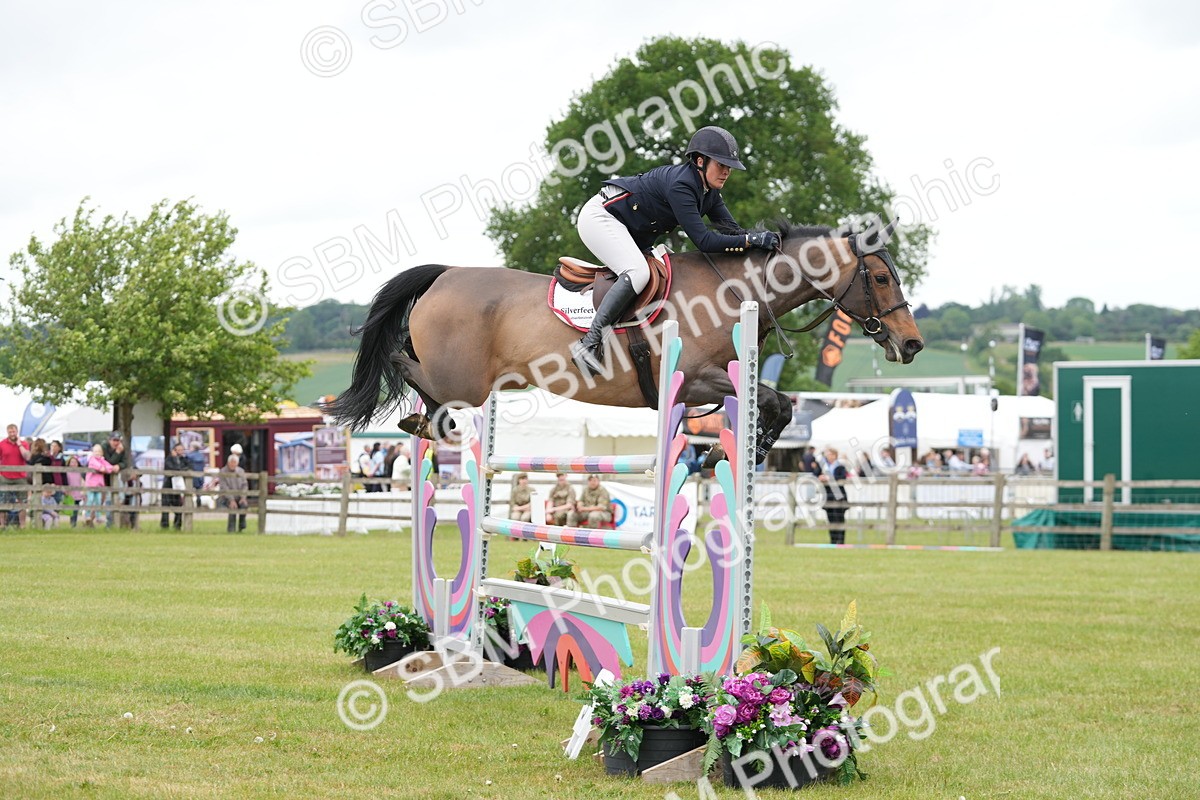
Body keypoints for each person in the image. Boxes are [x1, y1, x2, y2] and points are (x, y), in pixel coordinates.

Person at [570, 125, 780, 375]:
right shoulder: (682, 185)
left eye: (729, 167)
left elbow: (732, 231)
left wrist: (760, 240)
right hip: (601, 217)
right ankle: (589, 342)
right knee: (638, 272)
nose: (726, 172)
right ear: (700, 161)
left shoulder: (709, 191)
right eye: (721, 165)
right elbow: (703, 241)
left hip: (631, 230)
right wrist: (750, 241)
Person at [813, 446, 848, 545]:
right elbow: (815, 474)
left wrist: (829, 478)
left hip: (839, 496)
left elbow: (842, 477)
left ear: (834, 455)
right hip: (828, 495)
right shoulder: (824, 466)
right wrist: (820, 476)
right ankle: (833, 540)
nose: (827, 456)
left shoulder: (840, 466)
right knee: (830, 519)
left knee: (839, 519)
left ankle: (840, 541)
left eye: (829, 454)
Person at [0, 424, 31, 527]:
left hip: (20, 476)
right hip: (5, 476)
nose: (12, 434)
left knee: (23, 501)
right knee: (3, 501)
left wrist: (19, 445)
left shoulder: (24, 443)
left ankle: (22, 526)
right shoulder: (2, 444)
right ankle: (2, 525)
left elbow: (27, 457)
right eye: (10, 432)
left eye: (14, 432)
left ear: (17, 432)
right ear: (7, 433)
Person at [83, 444, 119, 528]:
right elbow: (95, 465)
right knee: (90, 499)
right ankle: (87, 515)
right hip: (91, 484)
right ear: (92, 452)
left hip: (99, 485)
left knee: (98, 501)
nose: (97, 453)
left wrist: (111, 468)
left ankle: (98, 516)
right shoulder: (92, 459)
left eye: (99, 451)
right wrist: (101, 468)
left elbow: (107, 466)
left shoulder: (102, 460)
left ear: (102, 453)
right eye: (95, 451)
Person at [101, 432, 128, 528]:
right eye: (114, 440)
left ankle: (117, 523)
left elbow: (125, 463)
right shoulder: (104, 447)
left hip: (116, 478)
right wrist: (117, 453)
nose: (116, 443)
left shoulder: (122, 448)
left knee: (120, 497)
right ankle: (108, 524)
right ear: (110, 440)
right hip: (103, 479)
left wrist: (119, 466)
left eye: (118, 440)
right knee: (106, 500)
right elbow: (109, 462)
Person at [218, 454, 249, 532]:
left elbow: (245, 485)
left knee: (244, 505)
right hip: (226, 497)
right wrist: (231, 499)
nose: (232, 464)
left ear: (237, 463)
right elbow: (224, 487)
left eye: (234, 462)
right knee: (232, 507)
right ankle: (231, 530)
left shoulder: (241, 471)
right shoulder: (223, 471)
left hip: (239, 496)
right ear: (228, 463)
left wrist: (243, 497)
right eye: (231, 463)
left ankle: (242, 527)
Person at [161, 440, 189, 529]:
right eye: (178, 450)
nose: (180, 452)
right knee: (165, 507)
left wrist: (179, 468)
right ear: (174, 450)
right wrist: (175, 459)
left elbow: (187, 468)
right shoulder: (169, 459)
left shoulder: (185, 459)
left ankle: (177, 526)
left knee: (178, 507)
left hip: (178, 487)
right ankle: (164, 526)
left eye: (182, 450)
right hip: (168, 485)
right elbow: (174, 469)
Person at [64, 455, 85, 527]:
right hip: (70, 493)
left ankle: (74, 524)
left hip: (78, 494)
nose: (73, 464)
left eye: (75, 462)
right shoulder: (66, 472)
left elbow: (82, 482)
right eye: (72, 462)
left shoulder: (80, 472)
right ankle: (71, 523)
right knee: (71, 509)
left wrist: (83, 491)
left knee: (76, 509)